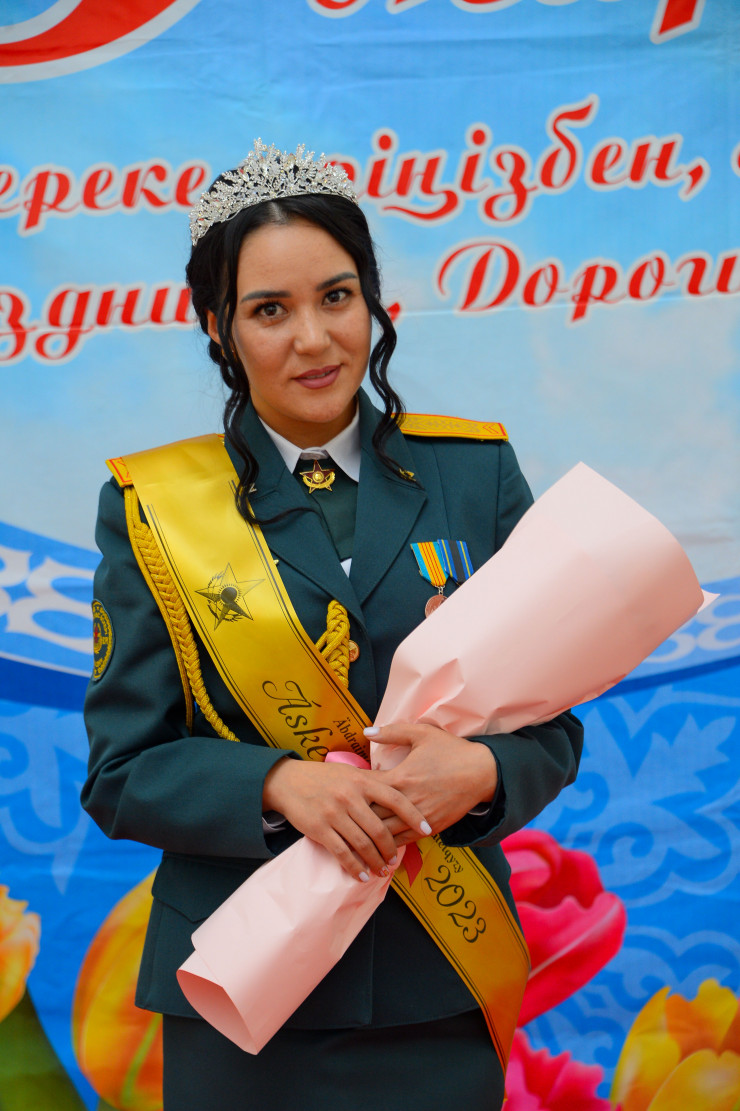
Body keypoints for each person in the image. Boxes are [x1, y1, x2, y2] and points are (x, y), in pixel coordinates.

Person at [82, 140, 583, 1111]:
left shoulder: (473, 475)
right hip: (245, 985)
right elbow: (122, 771)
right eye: (269, 310)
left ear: (373, 303)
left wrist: (484, 772)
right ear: (218, 327)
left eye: (336, 297)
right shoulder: (154, 505)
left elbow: (551, 727)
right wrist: (279, 784)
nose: (313, 339)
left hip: (436, 979)